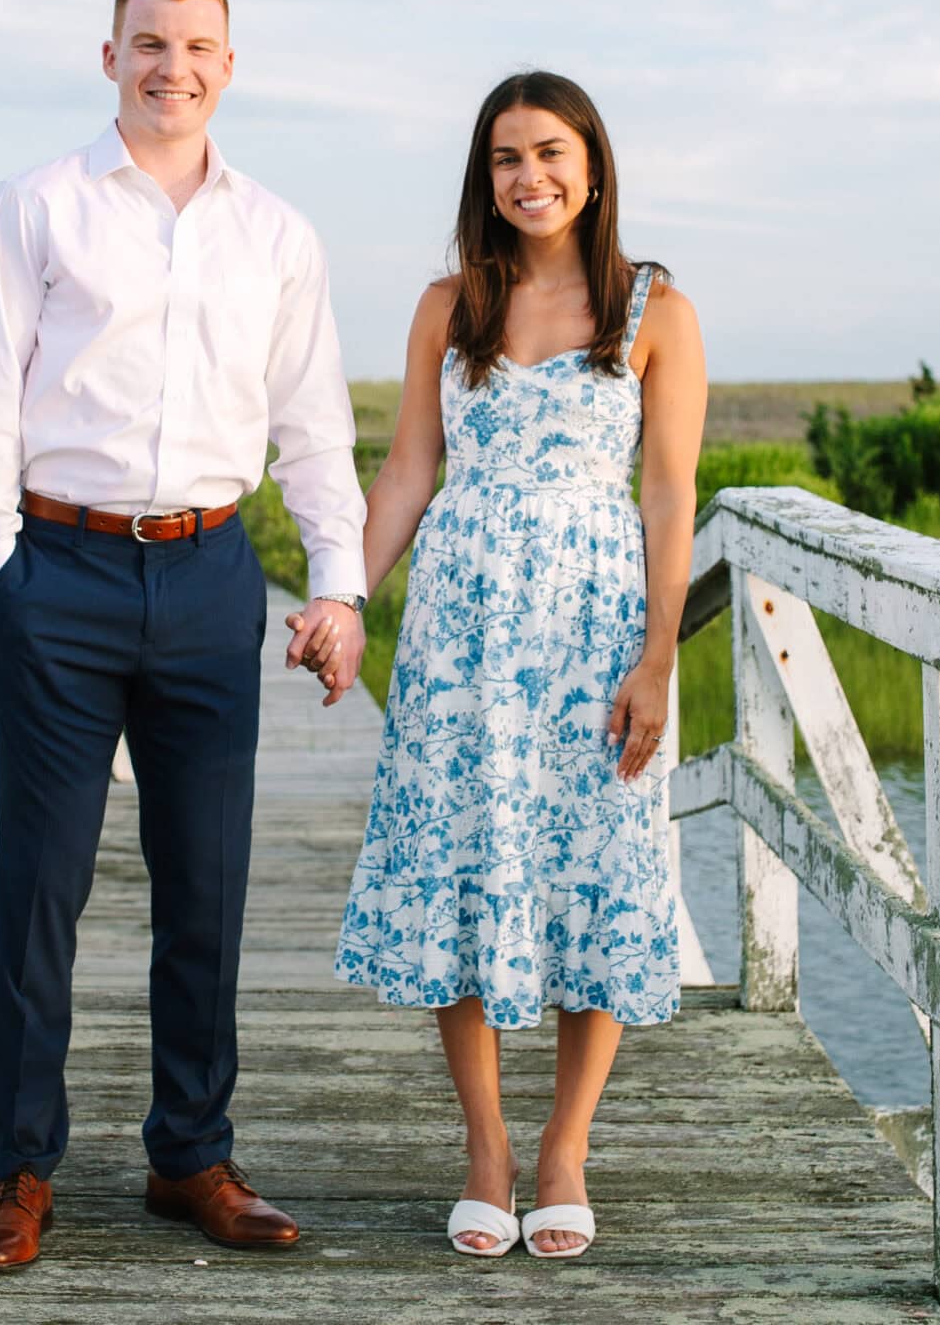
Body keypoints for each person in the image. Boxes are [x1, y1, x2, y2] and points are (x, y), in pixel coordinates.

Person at [0, 0, 371, 1271]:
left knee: (208, 881)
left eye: (196, 46)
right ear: (110, 56)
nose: (171, 66)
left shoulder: (278, 235)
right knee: (41, 889)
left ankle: (191, 1156)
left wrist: (338, 584)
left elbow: (312, 425)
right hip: (58, 576)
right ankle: (19, 1170)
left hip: (208, 574)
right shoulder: (36, 209)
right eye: (148, 43)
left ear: (227, 66)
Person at [324, 69, 707, 1259]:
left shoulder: (654, 308)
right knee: (464, 864)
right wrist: (343, 600)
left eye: (549, 153)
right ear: (481, 177)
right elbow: (404, 475)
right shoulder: (450, 305)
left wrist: (656, 658)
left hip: (595, 628)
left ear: (591, 166)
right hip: (461, 634)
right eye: (504, 158)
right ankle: (487, 1149)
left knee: (597, 869)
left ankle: (564, 1150)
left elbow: (668, 493)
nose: (527, 177)